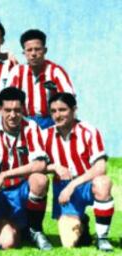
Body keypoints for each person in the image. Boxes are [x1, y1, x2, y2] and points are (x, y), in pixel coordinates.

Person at [0, 87, 52, 250]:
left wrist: (5, 174)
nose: (13, 115)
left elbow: (41, 164)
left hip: (23, 190)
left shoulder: (31, 127)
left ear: (23, 109)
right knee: (8, 243)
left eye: (17, 110)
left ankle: (35, 229)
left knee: (40, 179)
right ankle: (18, 229)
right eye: (7, 110)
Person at [44, 93, 114, 251]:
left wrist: (72, 185)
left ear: (74, 110)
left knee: (103, 182)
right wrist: (54, 167)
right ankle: (82, 221)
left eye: (62, 110)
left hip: (85, 184)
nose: (58, 115)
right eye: (53, 111)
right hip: (62, 188)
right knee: (69, 243)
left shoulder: (89, 131)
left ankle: (102, 238)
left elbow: (101, 167)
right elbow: (36, 165)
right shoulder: (45, 135)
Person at [6, 29, 74, 129]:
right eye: (29, 50)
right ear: (23, 52)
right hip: (24, 122)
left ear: (45, 50)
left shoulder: (56, 72)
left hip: (50, 122)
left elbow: (69, 99)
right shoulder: (17, 72)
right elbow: (6, 100)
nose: (33, 53)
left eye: (37, 49)